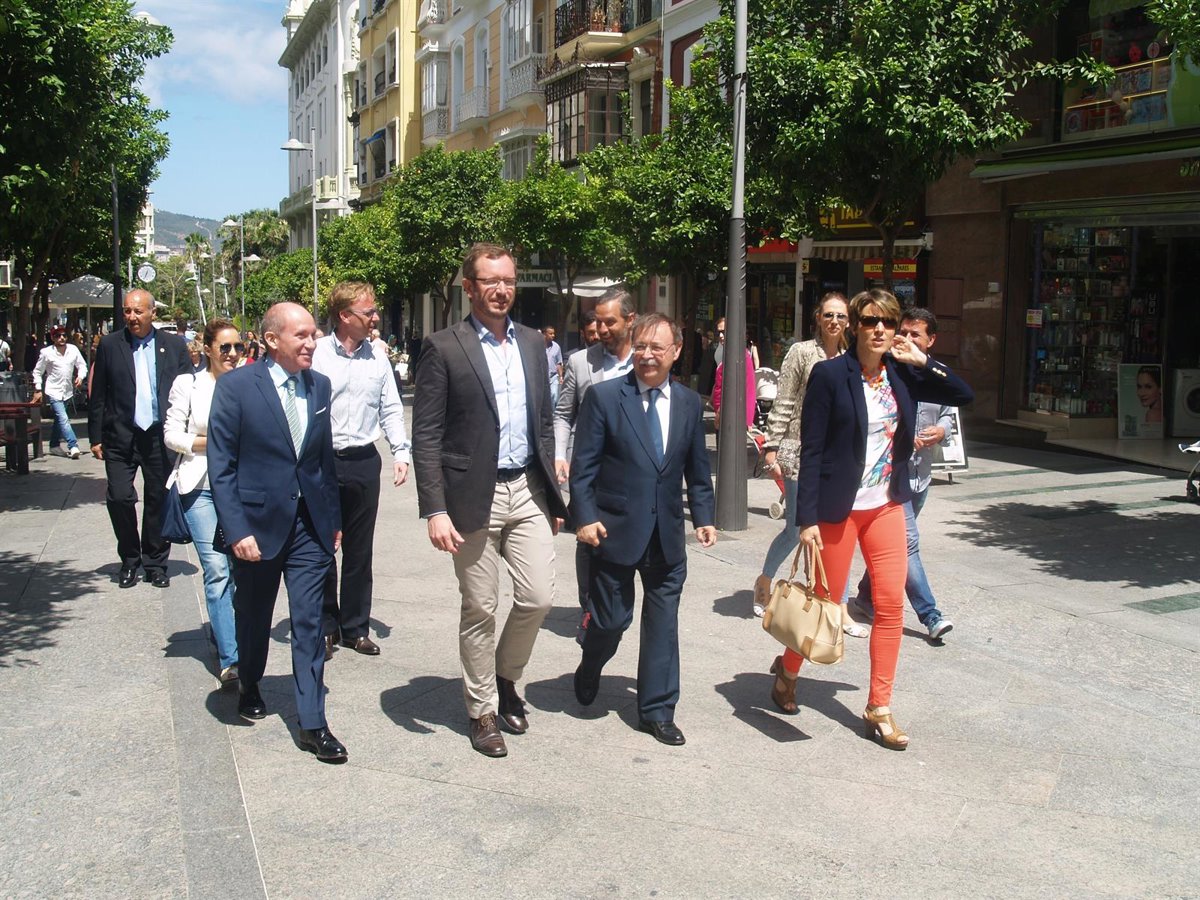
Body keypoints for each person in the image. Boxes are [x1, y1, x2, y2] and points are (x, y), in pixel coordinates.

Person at [768, 289, 973, 750]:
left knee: (890, 604)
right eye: (869, 321)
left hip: (886, 505)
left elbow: (963, 394)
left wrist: (923, 361)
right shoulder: (829, 375)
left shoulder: (903, 373)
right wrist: (807, 519)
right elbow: (813, 448)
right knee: (826, 602)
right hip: (839, 509)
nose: (879, 329)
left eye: (888, 322)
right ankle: (788, 669)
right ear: (855, 326)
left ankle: (879, 706)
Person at [412, 243, 567, 758]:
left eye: (508, 281)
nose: (502, 290)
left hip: (527, 488)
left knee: (538, 597)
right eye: (490, 281)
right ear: (469, 287)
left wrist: (554, 493)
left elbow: (543, 420)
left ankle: (505, 677)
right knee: (480, 605)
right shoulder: (443, 347)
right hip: (470, 495)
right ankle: (482, 710)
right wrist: (435, 508)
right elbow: (426, 434)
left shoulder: (532, 343)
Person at [208, 302, 346, 762]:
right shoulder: (236, 387)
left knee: (309, 622)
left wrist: (333, 521)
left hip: (309, 526)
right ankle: (249, 681)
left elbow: (322, 461)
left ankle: (313, 723)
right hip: (257, 527)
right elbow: (221, 467)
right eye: (301, 335)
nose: (312, 342)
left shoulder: (319, 385)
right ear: (271, 340)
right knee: (254, 615)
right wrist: (236, 529)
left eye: (314, 333)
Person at [570, 313, 716, 746]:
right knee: (610, 620)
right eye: (641, 347)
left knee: (663, 624)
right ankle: (591, 662)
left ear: (676, 351)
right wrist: (585, 517)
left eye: (657, 347)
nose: (647, 355)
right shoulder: (604, 397)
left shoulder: (689, 403)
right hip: (613, 530)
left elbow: (697, 468)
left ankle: (657, 710)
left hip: (666, 536)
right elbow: (583, 467)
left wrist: (704, 517)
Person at [312, 282, 410, 660]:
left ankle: (355, 628)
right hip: (323, 460)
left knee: (359, 549)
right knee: (322, 546)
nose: (375, 318)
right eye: (368, 312)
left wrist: (400, 452)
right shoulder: (318, 355)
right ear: (344, 316)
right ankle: (326, 626)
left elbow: (391, 408)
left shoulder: (378, 359)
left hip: (364, 461)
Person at [852, 308, 956, 642]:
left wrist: (941, 431)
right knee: (908, 544)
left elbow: (950, 411)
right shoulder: (889, 370)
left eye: (916, 335)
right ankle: (930, 614)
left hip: (921, 475)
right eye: (905, 332)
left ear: (931, 340)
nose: (908, 339)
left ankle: (865, 596)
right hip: (892, 477)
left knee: (893, 544)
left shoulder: (935, 374)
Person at [754, 293, 850, 618]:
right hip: (799, 451)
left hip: (836, 457)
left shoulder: (850, 357)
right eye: (828, 315)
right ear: (818, 318)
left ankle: (832, 604)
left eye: (840, 316)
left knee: (832, 532)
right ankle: (764, 581)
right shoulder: (802, 352)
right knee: (796, 529)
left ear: (848, 321)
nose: (834, 321)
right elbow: (784, 400)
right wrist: (771, 446)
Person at [88, 290, 191, 588]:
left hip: (159, 437)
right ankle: (130, 559)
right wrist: (96, 436)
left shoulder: (174, 346)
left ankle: (155, 562)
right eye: (127, 311)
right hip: (120, 436)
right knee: (119, 497)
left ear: (152, 313)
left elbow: (187, 390)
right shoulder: (110, 345)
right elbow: (99, 393)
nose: (132, 317)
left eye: (138, 311)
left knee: (158, 499)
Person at [553, 287, 637, 643]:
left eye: (609, 323)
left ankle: (615, 606)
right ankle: (589, 610)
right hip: (590, 471)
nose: (601, 330)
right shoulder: (579, 362)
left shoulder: (646, 359)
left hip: (633, 473)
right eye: (598, 323)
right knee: (588, 539)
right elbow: (563, 413)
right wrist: (560, 454)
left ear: (630, 320)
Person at [163, 319, 243, 684]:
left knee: (240, 569)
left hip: (241, 487)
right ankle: (231, 659)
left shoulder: (250, 384)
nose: (232, 353)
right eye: (224, 347)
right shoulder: (189, 384)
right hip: (200, 486)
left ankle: (231, 631)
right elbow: (171, 434)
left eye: (238, 347)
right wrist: (211, 443)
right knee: (217, 569)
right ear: (207, 349)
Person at [32, 325, 88, 459]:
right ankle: (73, 445)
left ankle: (54, 445)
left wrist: (80, 377)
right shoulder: (46, 352)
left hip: (67, 391)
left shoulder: (73, 349)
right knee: (63, 418)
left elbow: (82, 365)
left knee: (59, 420)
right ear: (52, 338)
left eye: (64, 335)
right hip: (53, 391)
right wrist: (38, 388)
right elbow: (38, 371)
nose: (61, 338)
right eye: (58, 336)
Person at [710, 345, 757, 431]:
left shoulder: (742, 357)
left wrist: (748, 419)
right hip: (723, 412)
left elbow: (749, 389)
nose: (721, 337)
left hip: (730, 414)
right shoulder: (727, 352)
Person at [544, 326, 564, 408]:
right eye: (550, 333)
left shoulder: (556, 347)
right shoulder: (538, 346)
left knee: (554, 396)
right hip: (542, 377)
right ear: (545, 334)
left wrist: (561, 376)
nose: (553, 335)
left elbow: (558, 363)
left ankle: (552, 414)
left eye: (553, 333)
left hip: (553, 377)